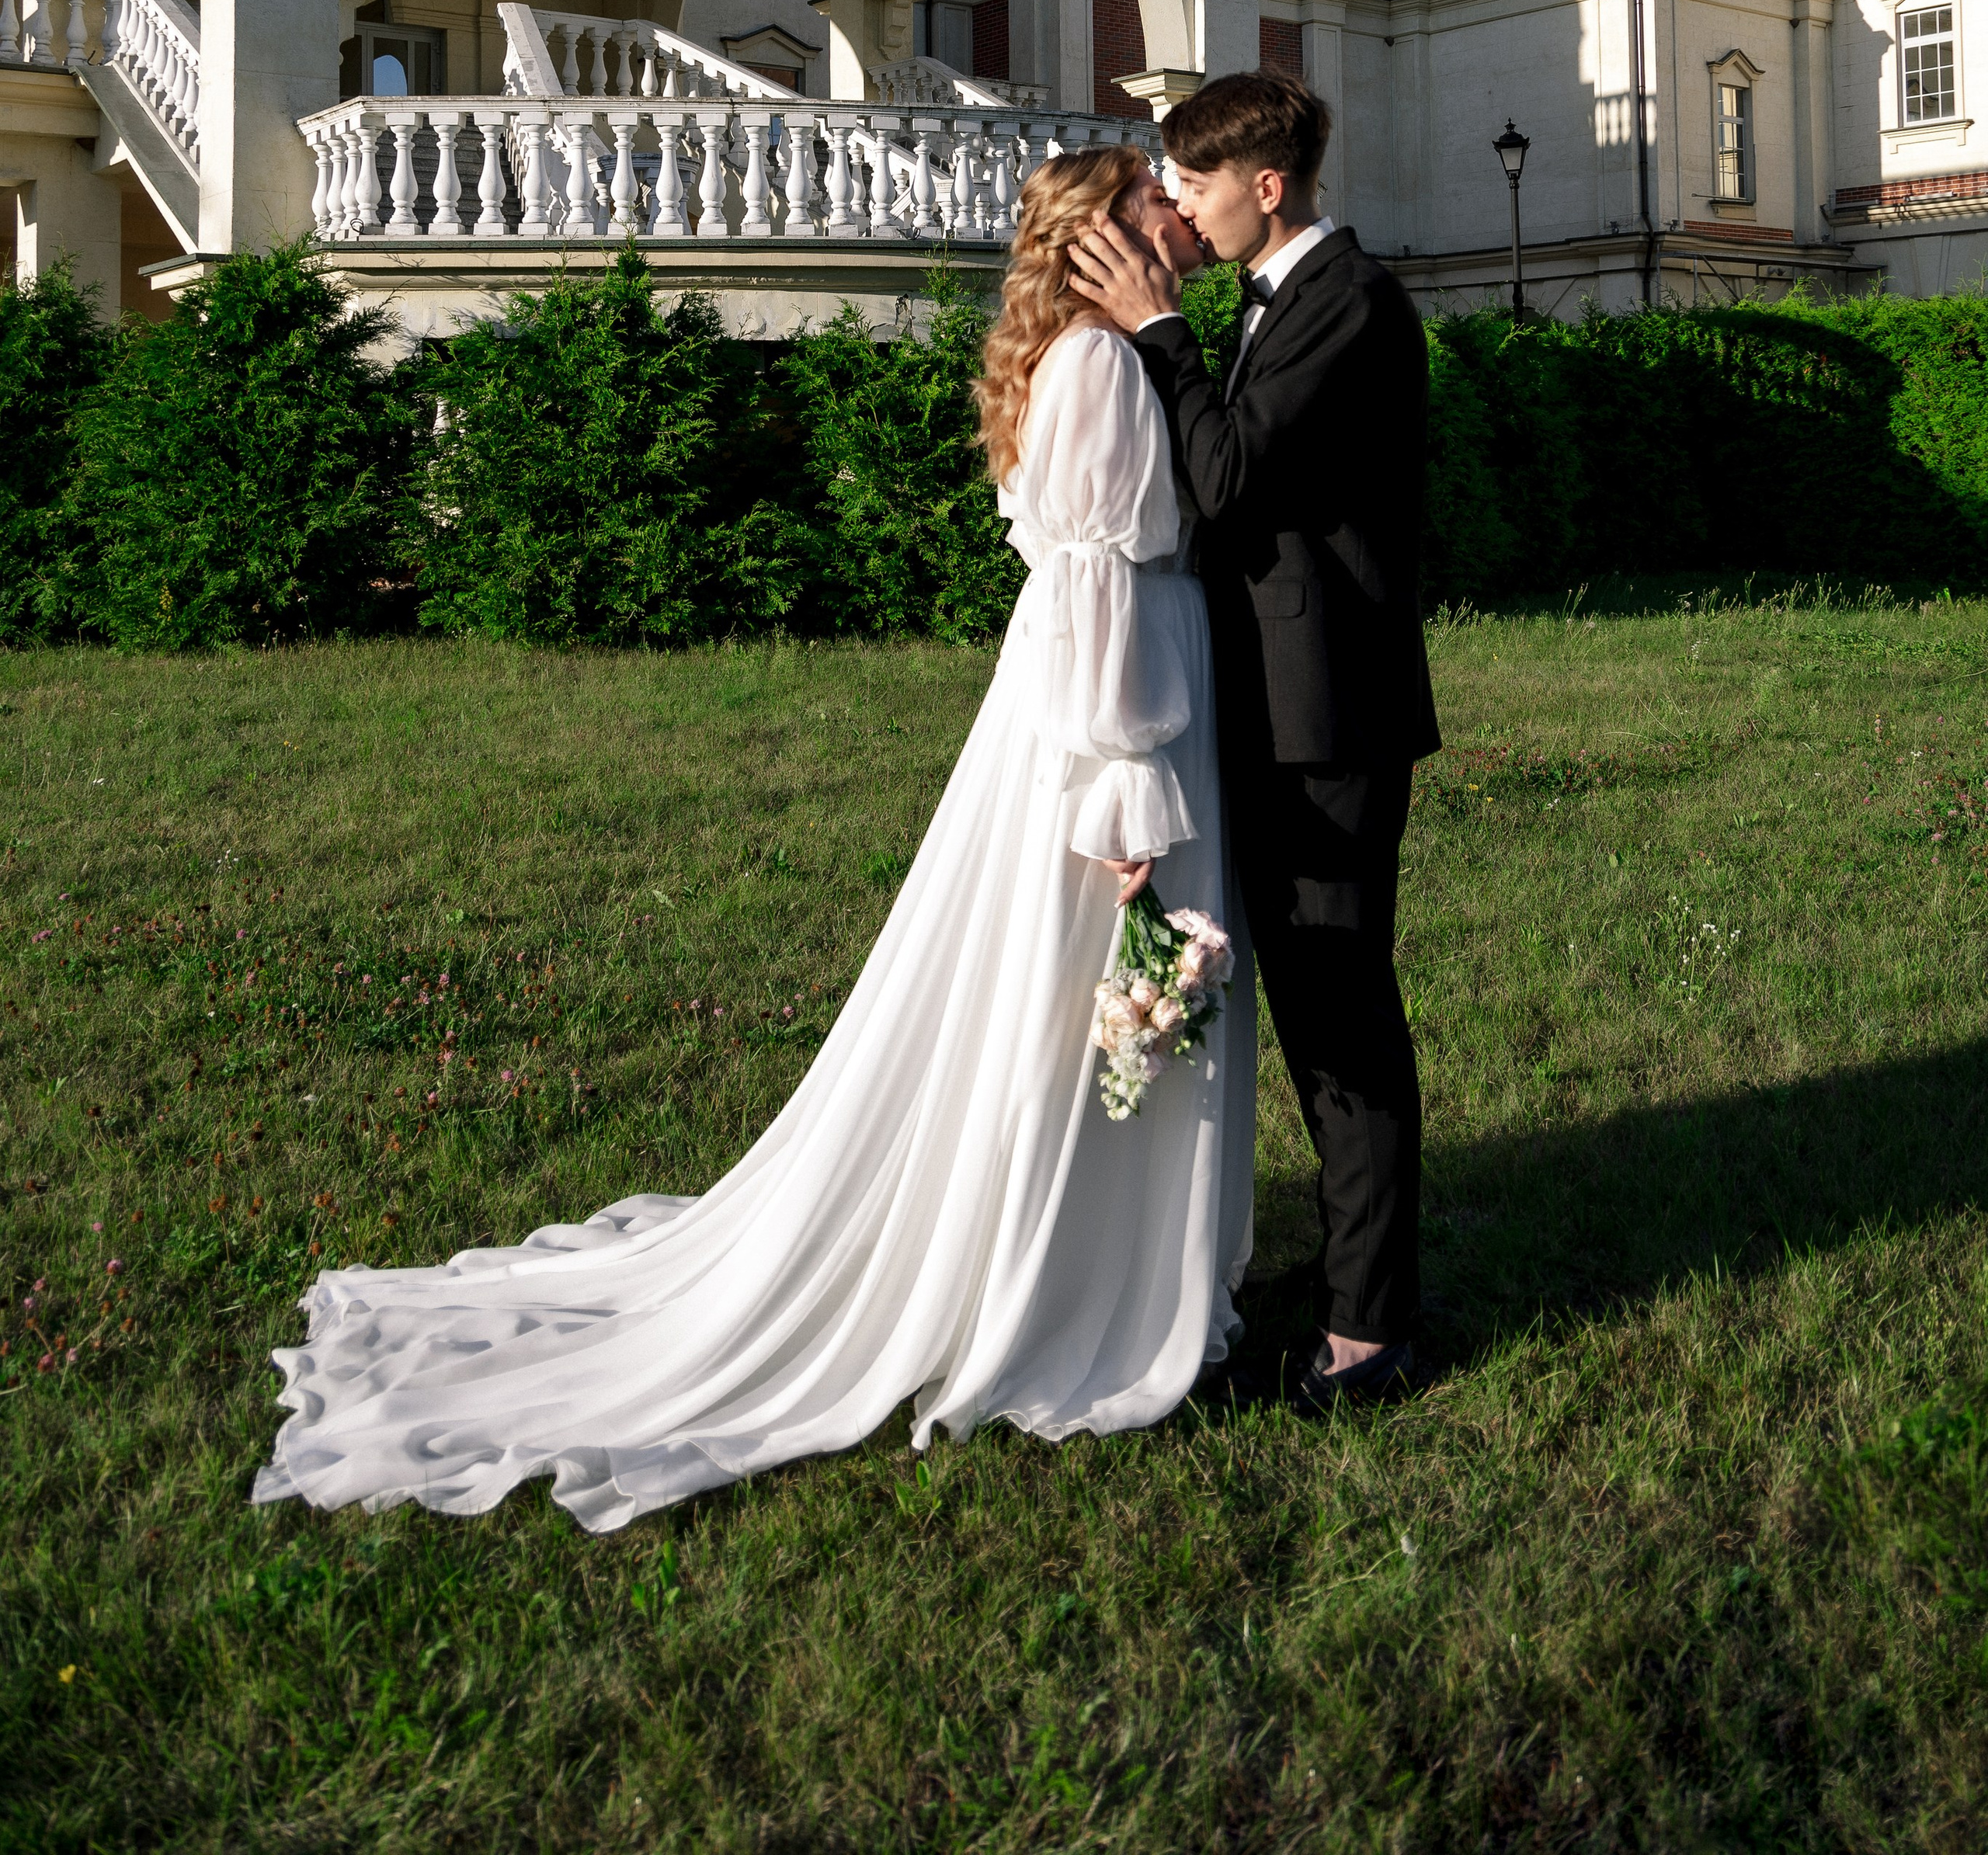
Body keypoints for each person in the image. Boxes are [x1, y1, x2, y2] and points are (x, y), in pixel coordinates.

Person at [252, 148, 1253, 1532]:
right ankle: (1055, 1279)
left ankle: (1102, 1257)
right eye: (1151, 195)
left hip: (1135, 684)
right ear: (1099, 236)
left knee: (1090, 999)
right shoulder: (1099, 363)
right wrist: (1123, 789)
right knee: (1076, 987)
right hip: (1116, 716)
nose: (1177, 206)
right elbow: (1093, 586)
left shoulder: (1109, 353)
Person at [1070, 70, 1439, 1410]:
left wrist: (1162, 331)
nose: (1179, 206)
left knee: (1343, 1018)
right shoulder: (1278, 300)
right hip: (1281, 716)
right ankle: (1350, 1280)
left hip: (1329, 727)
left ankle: (1372, 1333)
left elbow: (1224, 476)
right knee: (1310, 1018)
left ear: (1264, 186)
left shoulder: (1351, 302)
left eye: (1194, 183)